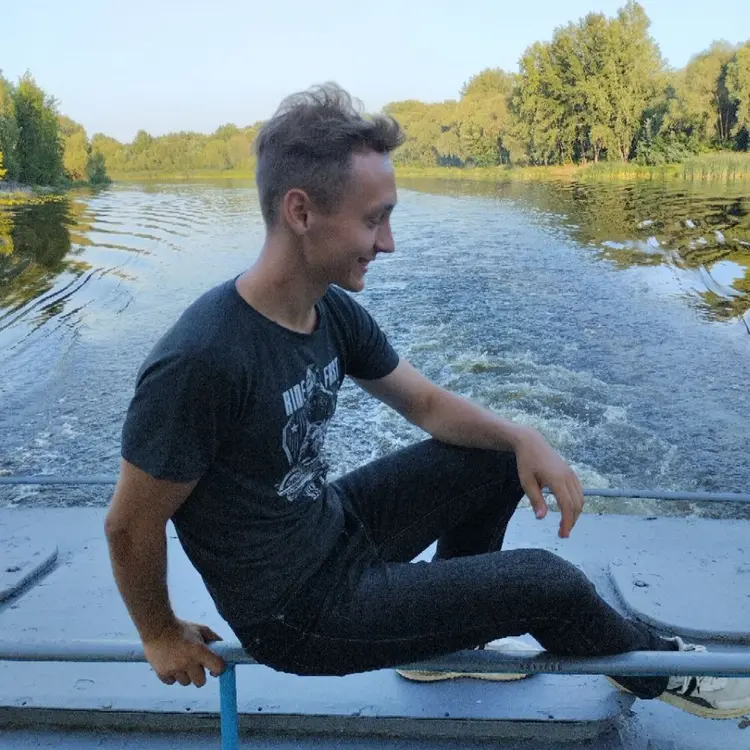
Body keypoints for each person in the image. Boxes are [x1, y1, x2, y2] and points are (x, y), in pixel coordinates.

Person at [104, 83, 750, 721]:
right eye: (372, 219)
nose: (387, 243)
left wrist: (522, 437)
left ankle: (448, 645)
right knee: (546, 584)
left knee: (494, 454)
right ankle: (661, 669)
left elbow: (427, 405)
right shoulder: (204, 359)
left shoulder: (329, 310)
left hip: (334, 529)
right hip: (299, 613)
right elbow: (130, 523)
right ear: (301, 212)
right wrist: (159, 634)